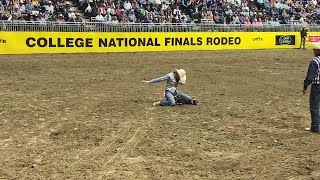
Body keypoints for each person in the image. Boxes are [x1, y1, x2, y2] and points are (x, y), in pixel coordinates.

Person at [303, 45, 320, 133]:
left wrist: (305, 86)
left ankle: (316, 127)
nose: (313, 51)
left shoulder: (315, 61)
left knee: (315, 106)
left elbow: (310, 76)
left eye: (314, 50)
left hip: (317, 86)